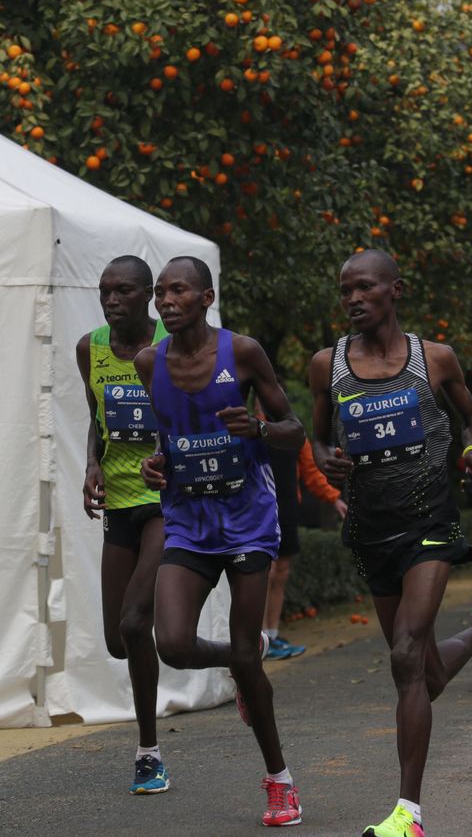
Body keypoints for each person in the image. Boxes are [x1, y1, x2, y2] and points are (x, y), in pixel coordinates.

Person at [308, 250, 472, 837]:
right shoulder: (327, 366)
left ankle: (410, 813)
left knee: (405, 655)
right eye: (345, 290)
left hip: (429, 519)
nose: (353, 299)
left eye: (365, 288)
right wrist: (327, 459)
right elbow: (318, 439)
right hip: (371, 529)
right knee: (423, 674)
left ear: (395, 290)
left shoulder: (435, 359)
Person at [134, 256, 306, 828]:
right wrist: (156, 465)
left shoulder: (244, 353)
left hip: (248, 517)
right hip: (187, 517)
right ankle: (240, 661)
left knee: (242, 650)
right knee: (173, 645)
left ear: (206, 297)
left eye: (178, 290)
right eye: (160, 292)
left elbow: (293, 430)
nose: (166, 300)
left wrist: (258, 429)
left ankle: (279, 780)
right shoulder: (147, 361)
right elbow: (167, 438)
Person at [76, 256, 171, 794]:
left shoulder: (169, 345)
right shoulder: (90, 348)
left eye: (124, 292)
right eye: (105, 292)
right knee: (118, 640)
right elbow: (95, 416)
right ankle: (237, 657)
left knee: (138, 623)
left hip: (166, 502)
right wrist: (91, 464)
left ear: (149, 297)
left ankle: (149, 752)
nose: (112, 301)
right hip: (119, 505)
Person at [261, 431, 347, 660]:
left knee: (281, 572)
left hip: (287, 507)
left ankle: (273, 634)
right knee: (265, 574)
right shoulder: (248, 428)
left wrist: (334, 498)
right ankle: (259, 641)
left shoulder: (294, 433)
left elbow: (311, 473)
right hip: (258, 510)